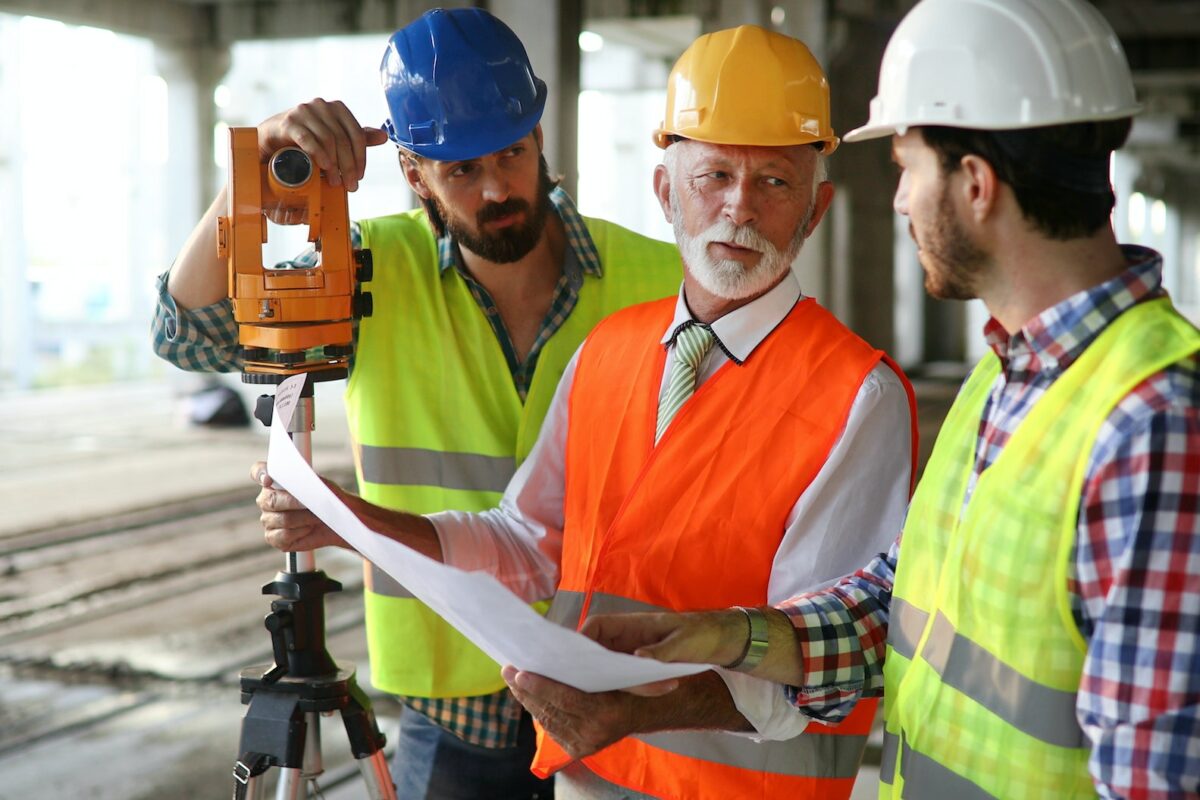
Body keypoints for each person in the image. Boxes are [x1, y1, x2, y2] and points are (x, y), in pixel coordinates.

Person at [253, 24, 918, 800]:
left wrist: (636, 712)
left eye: (774, 182)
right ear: (667, 192)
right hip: (589, 780)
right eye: (713, 176)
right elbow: (528, 541)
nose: (740, 208)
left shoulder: (854, 394)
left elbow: (823, 660)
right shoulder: (611, 349)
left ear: (815, 210)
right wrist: (352, 522)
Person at [582, 1, 1200, 798]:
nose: (900, 200)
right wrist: (728, 635)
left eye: (908, 167)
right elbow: (905, 604)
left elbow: (1158, 776)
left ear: (974, 184)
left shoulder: (1151, 425)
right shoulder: (1007, 375)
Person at [151, 8, 684, 798]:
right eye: (462, 170)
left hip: (617, 685)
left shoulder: (656, 278)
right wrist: (253, 166)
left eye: (511, 153)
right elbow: (186, 334)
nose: (498, 186)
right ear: (413, 171)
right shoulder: (371, 270)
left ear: (539, 137)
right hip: (452, 703)